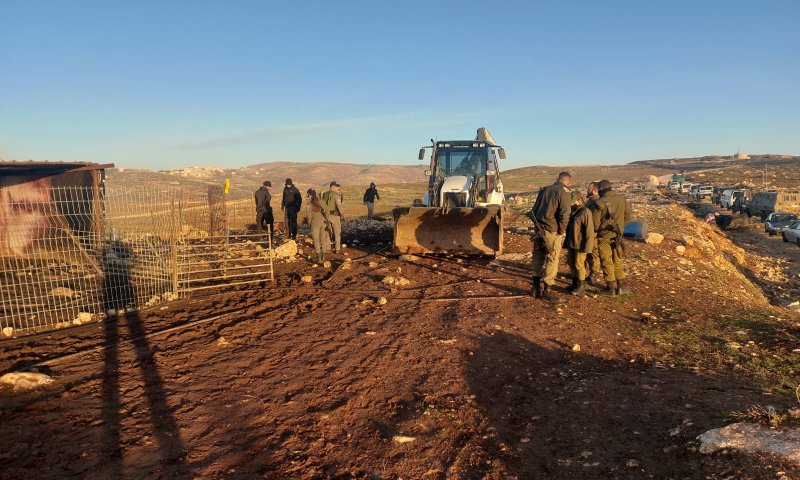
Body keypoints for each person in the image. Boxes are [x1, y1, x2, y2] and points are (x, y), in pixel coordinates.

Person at [529, 171, 572, 303]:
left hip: (539, 229)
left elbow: (534, 210)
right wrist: (561, 230)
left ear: (557, 178)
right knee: (552, 258)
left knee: (537, 257)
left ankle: (535, 288)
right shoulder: (563, 191)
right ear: (568, 181)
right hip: (552, 230)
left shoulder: (544, 190)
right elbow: (565, 214)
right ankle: (547, 289)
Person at [589, 179, 632, 296]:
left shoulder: (600, 202)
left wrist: (599, 231)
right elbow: (628, 217)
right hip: (618, 235)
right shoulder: (621, 199)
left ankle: (611, 288)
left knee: (606, 261)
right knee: (617, 260)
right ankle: (621, 286)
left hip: (605, 236)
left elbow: (595, 224)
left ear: (601, 189)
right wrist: (620, 227)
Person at [564, 193, 596, 297]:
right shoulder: (574, 211)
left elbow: (589, 231)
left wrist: (587, 247)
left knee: (579, 264)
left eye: (574, 201)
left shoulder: (586, 212)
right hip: (572, 242)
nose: (572, 203)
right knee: (571, 262)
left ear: (580, 200)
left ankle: (580, 286)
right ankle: (574, 284)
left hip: (580, 244)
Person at [584, 182, 602, 286]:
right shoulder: (590, 201)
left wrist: (595, 232)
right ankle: (585, 272)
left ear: (595, 190)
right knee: (586, 253)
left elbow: (596, 220)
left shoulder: (597, 202)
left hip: (593, 233)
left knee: (593, 254)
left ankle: (593, 274)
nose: (587, 190)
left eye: (589, 188)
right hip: (587, 231)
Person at [306, 188, 331, 263]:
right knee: (323, 239)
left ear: (309, 195)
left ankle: (319, 257)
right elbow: (327, 211)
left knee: (316, 240)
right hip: (323, 222)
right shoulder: (322, 201)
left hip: (315, 223)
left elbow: (309, 215)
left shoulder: (309, 203)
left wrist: (309, 223)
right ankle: (323, 255)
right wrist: (326, 219)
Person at [321, 180, 345, 253]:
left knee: (327, 232)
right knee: (337, 232)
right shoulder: (336, 195)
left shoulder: (325, 194)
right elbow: (339, 206)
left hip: (326, 216)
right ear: (332, 187)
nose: (338, 188)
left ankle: (328, 248)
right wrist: (342, 215)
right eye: (336, 186)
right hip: (335, 216)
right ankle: (337, 248)